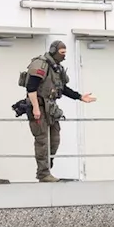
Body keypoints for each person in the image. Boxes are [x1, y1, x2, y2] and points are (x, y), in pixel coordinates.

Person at [25, 40, 97, 182]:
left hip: (51, 108)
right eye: (62, 53)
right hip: (38, 106)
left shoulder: (56, 68)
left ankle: (46, 166)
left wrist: (80, 97)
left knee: (55, 140)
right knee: (42, 141)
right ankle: (43, 174)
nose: (64, 56)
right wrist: (35, 108)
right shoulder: (41, 64)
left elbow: (62, 88)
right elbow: (31, 88)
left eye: (65, 53)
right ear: (54, 51)